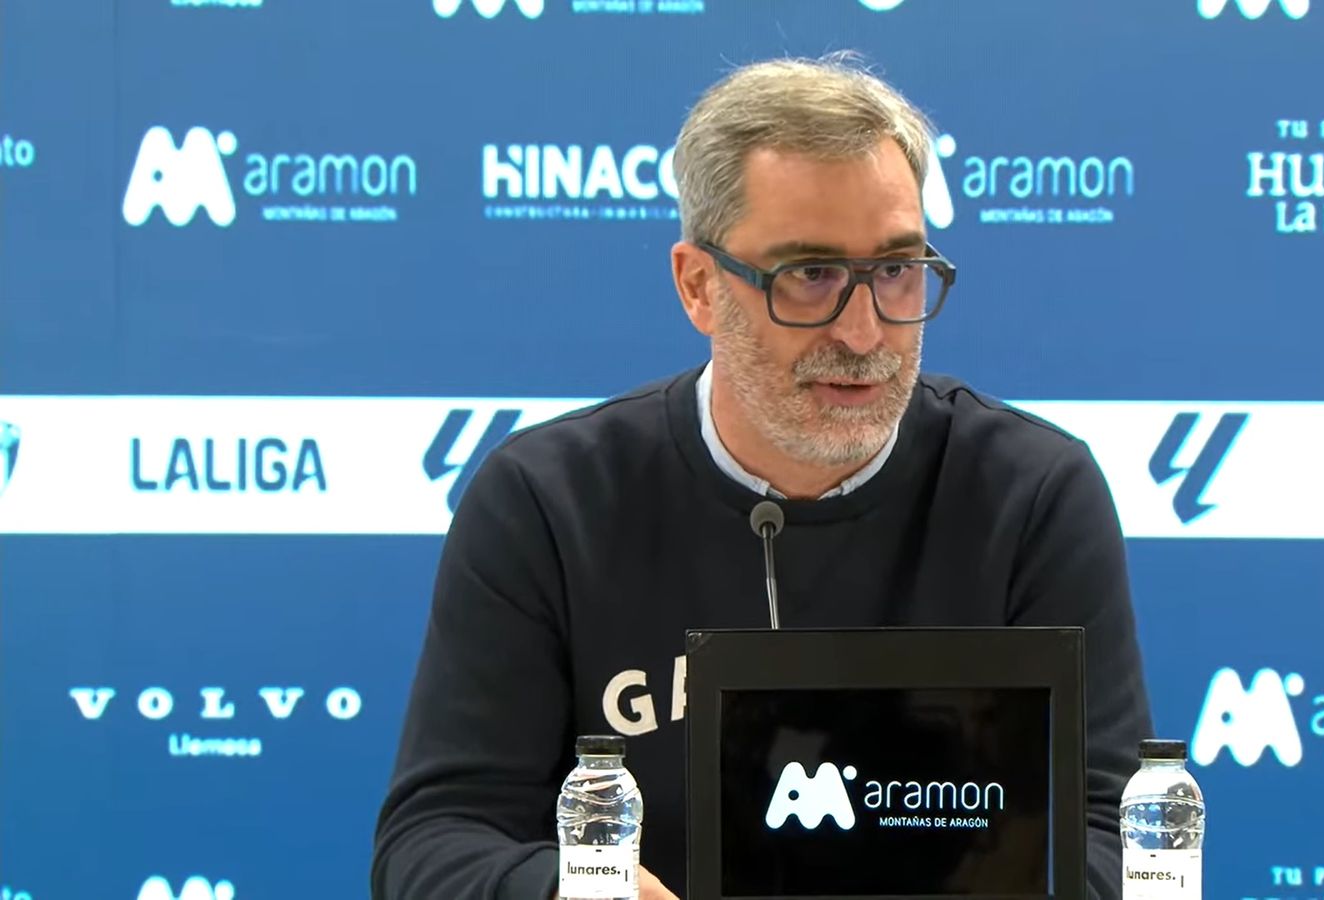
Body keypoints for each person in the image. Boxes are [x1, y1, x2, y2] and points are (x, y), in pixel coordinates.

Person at [371, 52, 1154, 900]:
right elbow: (434, 844)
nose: (864, 333)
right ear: (700, 286)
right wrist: (578, 889)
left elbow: (1118, 839)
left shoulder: (1032, 494)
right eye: (810, 276)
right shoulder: (548, 502)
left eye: (895, 270)